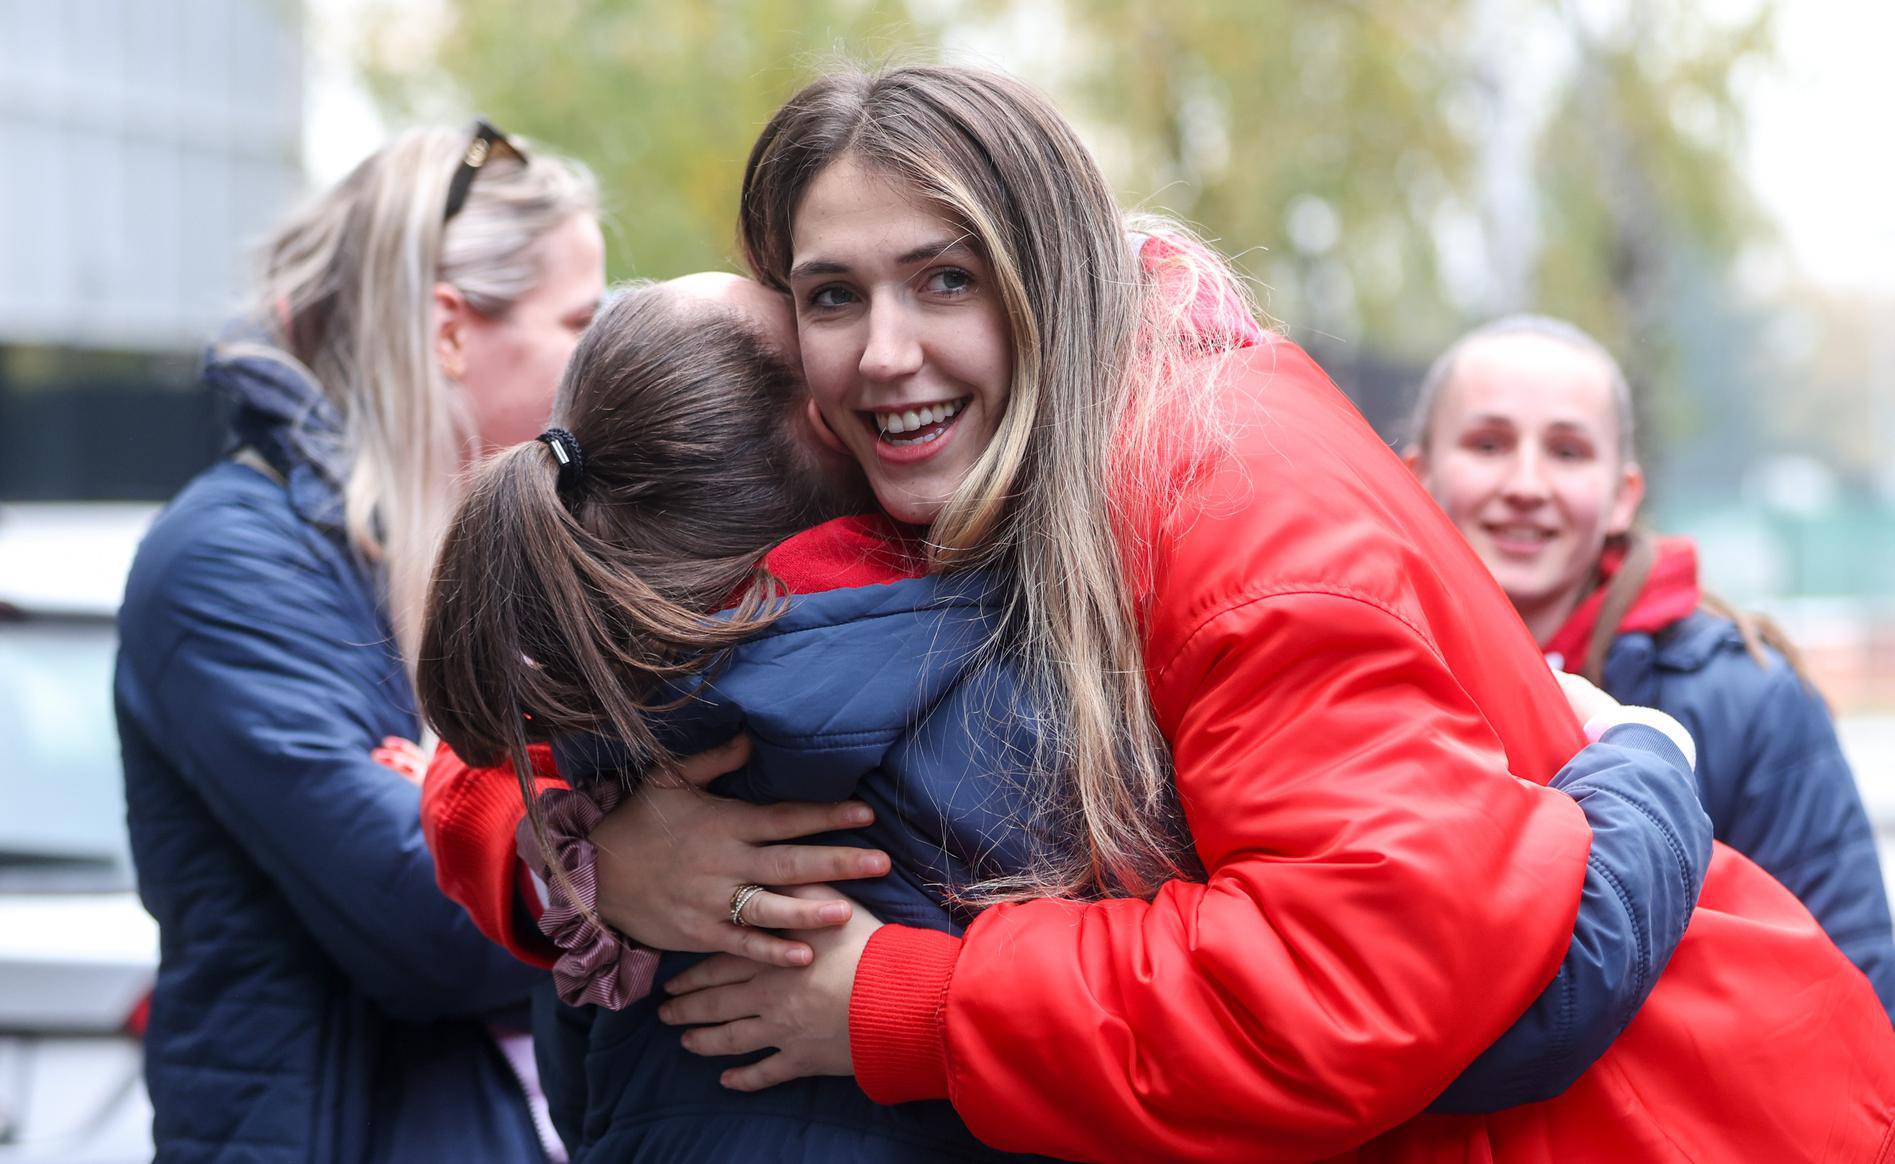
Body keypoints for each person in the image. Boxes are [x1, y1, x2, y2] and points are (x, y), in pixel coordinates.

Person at [426, 66, 1894, 1161]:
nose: (881, 351)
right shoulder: (908, 483)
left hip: (1669, 1119)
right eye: (828, 294)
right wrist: (590, 857)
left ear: (1047, 277)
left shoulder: (1224, 493)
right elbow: (549, 626)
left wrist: (909, 1003)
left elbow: (1372, 978)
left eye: (945, 279)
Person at [114, 122, 603, 1164]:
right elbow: (435, 920)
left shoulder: (497, 547)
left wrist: (469, 792)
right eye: (580, 322)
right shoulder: (230, 560)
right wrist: (621, 847)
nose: (600, 360)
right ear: (448, 331)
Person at [1402, 315, 1895, 1018]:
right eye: (1487, 444)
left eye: (1568, 452)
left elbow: (1850, 993)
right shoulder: (1355, 674)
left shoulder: (1750, 700)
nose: (1526, 483)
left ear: (1621, 495)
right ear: (1416, 476)